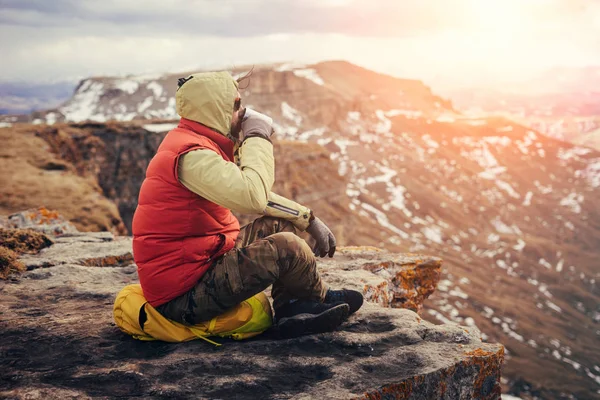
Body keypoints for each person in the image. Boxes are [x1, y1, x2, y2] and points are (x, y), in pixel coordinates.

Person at [132, 71, 363, 338]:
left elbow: (252, 194)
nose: (243, 113)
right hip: (183, 297)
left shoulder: (194, 144)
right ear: (216, 110)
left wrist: (306, 218)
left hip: (201, 264)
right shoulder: (191, 156)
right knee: (286, 246)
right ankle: (308, 304)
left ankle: (298, 305)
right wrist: (258, 135)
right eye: (236, 105)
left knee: (280, 224)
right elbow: (253, 194)